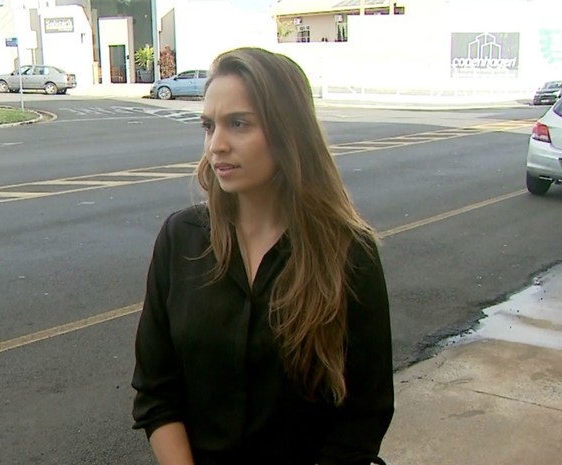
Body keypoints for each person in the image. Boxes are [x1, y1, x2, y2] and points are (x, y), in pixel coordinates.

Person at [131, 46, 394, 465]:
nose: (216, 145)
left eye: (238, 124)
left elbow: (364, 416)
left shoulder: (348, 253)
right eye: (208, 126)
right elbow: (157, 392)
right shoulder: (181, 239)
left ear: (289, 132)